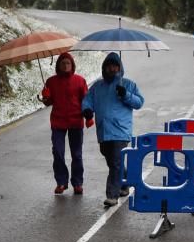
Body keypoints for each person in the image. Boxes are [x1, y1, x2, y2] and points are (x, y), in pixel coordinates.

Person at [81, 52, 145, 207]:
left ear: (119, 67)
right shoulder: (97, 86)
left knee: (116, 162)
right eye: (108, 66)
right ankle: (124, 183)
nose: (112, 69)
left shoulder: (128, 84)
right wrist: (87, 109)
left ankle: (112, 195)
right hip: (103, 131)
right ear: (104, 68)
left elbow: (139, 102)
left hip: (120, 131)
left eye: (114, 66)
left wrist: (126, 95)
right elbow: (87, 100)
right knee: (112, 161)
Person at [40, 52, 89, 195]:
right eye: (63, 63)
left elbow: (86, 100)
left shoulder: (80, 81)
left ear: (72, 65)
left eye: (68, 63)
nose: (65, 65)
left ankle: (77, 183)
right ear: (58, 65)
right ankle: (61, 182)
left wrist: (88, 116)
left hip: (76, 121)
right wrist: (46, 97)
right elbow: (48, 102)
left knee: (77, 155)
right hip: (58, 122)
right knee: (58, 152)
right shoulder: (51, 82)